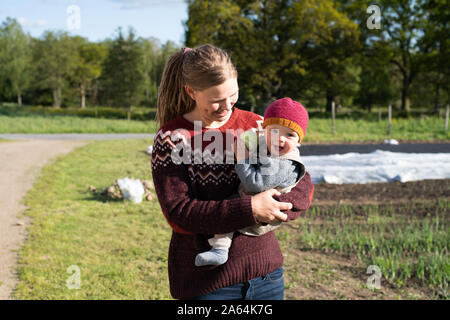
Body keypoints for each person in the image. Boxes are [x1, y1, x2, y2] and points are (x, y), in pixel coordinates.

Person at [151, 44, 314, 300]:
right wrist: (250, 209)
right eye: (216, 100)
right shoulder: (173, 138)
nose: (227, 107)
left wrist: (275, 208)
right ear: (191, 91)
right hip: (208, 283)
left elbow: (300, 180)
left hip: (267, 276)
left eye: (233, 95)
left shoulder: (257, 124)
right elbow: (179, 213)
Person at [195, 98, 309, 267]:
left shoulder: (286, 162)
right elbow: (250, 139)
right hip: (249, 200)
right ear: (265, 130)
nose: (281, 139)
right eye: (274, 131)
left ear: (299, 140)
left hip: (263, 215)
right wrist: (244, 142)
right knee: (227, 206)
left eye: (290, 134)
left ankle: (220, 250)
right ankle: (220, 250)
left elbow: (254, 184)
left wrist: (242, 157)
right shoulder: (266, 142)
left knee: (231, 207)